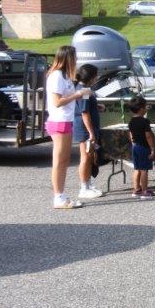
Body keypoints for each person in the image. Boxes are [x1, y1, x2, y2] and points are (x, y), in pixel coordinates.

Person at [46, 46, 93, 209]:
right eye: (74, 57)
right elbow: (57, 102)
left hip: (66, 121)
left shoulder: (65, 76)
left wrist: (82, 96)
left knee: (64, 160)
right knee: (59, 161)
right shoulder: (57, 76)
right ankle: (58, 197)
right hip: (59, 121)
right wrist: (78, 94)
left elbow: (68, 98)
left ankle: (61, 195)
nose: (76, 60)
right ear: (68, 58)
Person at [73, 63, 104, 200]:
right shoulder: (84, 90)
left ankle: (88, 184)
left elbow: (85, 107)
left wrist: (96, 106)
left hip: (85, 127)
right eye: (96, 75)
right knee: (85, 158)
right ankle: (84, 188)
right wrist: (91, 133)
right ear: (91, 76)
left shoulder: (82, 88)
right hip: (84, 129)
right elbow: (84, 112)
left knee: (89, 157)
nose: (97, 77)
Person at [126, 95, 155, 199]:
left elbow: (131, 135)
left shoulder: (131, 121)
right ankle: (144, 191)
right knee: (144, 170)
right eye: (145, 107)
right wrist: (153, 149)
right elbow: (148, 136)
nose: (146, 109)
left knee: (137, 169)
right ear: (141, 109)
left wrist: (133, 142)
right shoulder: (144, 122)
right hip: (144, 147)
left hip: (135, 146)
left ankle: (136, 189)